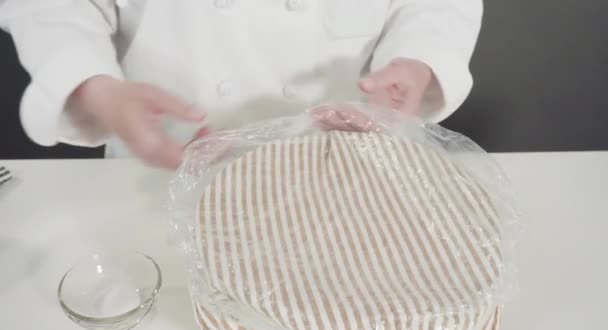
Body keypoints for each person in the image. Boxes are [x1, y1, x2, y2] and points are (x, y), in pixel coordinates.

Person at [0, 0, 482, 169]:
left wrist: (418, 61)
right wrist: (95, 88)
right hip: (164, 156)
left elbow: (436, 4)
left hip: (343, 156)